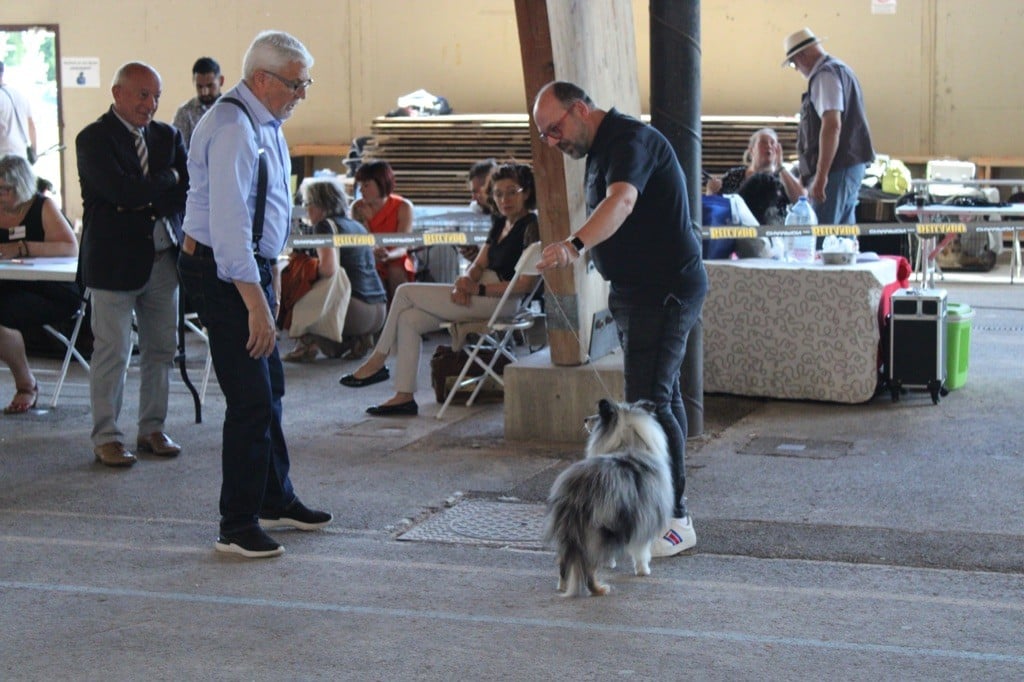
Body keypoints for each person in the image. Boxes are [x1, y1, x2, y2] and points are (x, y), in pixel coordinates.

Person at [532, 81, 707, 558]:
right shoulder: (599, 145)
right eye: (544, 136)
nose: (551, 142)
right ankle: (659, 509)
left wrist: (573, 246)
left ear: (581, 110)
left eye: (554, 129)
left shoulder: (630, 140)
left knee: (650, 404)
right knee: (655, 399)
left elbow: (623, 202)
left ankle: (675, 518)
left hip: (665, 291)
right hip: (635, 292)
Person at [177, 30, 332, 559]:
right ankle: (236, 524)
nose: (302, 94)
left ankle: (273, 497)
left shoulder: (267, 123)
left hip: (252, 266)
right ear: (263, 80)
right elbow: (228, 228)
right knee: (249, 400)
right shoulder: (232, 127)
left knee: (272, 390)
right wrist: (256, 301)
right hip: (224, 271)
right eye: (296, 83)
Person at [340, 162, 540, 417]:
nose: (505, 199)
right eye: (499, 193)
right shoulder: (500, 224)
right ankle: (404, 397)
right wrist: (465, 281)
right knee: (409, 319)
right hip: (480, 293)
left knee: (405, 291)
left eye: (512, 191)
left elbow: (524, 285)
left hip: (503, 300)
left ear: (527, 192)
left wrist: (476, 288)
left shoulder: (531, 225)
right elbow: (478, 264)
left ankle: (378, 360)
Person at [76, 62, 188, 468]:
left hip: (162, 260)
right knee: (113, 352)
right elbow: (120, 190)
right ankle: (106, 436)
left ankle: (152, 428)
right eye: (143, 94)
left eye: (156, 95)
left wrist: (145, 193)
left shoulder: (168, 136)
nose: (151, 104)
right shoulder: (93, 139)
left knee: (161, 350)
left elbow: (184, 193)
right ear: (117, 93)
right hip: (112, 263)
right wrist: (165, 180)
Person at [0, 155, 81, 414]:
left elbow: (70, 249)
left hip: (52, 289)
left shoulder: (42, 206)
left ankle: (26, 384)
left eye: (5, 190)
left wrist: (23, 248)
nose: (0, 195)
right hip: (10, 284)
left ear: (21, 186)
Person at [282, 174, 387, 362]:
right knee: (332, 347)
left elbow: (328, 269)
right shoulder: (357, 225)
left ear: (318, 205)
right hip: (378, 309)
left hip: (355, 310)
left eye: (307, 204)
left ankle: (307, 345)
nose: (306, 210)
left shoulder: (324, 226)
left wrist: (306, 266)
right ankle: (355, 340)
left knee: (298, 287)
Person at [783, 27, 874, 225]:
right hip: (847, 166)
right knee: (841, 239)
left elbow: (832, 126)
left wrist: (821, 176)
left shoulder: (824, 76)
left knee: (823, 237)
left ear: (803, 55)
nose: (796, 69)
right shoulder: (840, 70)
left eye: (793, 63)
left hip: (836, 169)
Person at [705, 127, 806, 225]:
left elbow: (801, 200)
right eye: (763, 142)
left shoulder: (783, 177)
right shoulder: (735, 176)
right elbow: (717, 208)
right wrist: (711, 191)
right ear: (751, 149)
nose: (769, 146)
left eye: (772, 143)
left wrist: (780, 167)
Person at [350, 160, 415, 303]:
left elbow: (403, 246)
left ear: (382, 184)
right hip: (369, 258)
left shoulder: (403, 207)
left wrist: (388, 255)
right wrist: (366, 223)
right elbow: (362, 242)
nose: (361, 191)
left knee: (395, 270)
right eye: (360, 186)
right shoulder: (357, 208)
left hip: (396, 258)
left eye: (366, 185)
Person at [172, 57, 224, 152]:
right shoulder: (185, 112)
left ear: (221, 81)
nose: (204, 92)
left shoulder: (232, 109)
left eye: (210, 86)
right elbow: (179, 151)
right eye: (199, 87)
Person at [459, 158, 500, 262]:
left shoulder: (511, 214)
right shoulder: (475, 208)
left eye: (477, 192)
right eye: (472, 192)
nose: (473, 198)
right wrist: (474, 256)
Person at [0, 61, 37, 162]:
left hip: (3, 157)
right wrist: (34, 151)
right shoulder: (20, 95)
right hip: (21, 156)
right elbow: (31, 126)